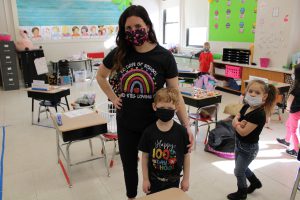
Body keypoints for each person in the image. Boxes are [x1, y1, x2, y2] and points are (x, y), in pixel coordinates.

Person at [96, 5, 193, 200]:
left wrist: (186, 125)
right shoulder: (120, 53)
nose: (134, 32)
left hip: (156, 126)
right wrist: (113, 97)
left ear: (148, 25)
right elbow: (100, 76)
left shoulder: (164, 56)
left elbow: (175, 93)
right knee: (129, 166)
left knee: (156, 169)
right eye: (128, 29)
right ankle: (131, 197)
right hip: (127, 124)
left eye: (138, 26)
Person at [228, 79, 277, 200]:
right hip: (238, 144)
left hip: (249, 149)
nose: (253, 94)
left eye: (257, 93)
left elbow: (243, 132)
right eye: (250, 91)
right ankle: (255, 182)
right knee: (242, 168)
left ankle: (242, 192)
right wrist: (239, 122)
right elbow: (238, 116)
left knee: (238, 171)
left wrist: (236, 124)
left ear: (264, 96)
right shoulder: (246, 106)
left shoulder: (259, 114)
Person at [138, 88, 190, 195]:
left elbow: (186, 156)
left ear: (177, 108)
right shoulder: (148, 132)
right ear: (154, 106)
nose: (165, 110)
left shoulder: (182, 132)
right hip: (154, 180)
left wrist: (186, 179)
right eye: (161, 107)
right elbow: (145, 157)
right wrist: (145, 179)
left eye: (170, 108)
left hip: (174, 181)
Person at [276, 64, 300, 157]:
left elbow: (290, 99)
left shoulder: (296, 87)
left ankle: (296, 150)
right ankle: (286, 140)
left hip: (295, 111)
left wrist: (288, 108)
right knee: (289, 124)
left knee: (294, 130)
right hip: (297, 111)